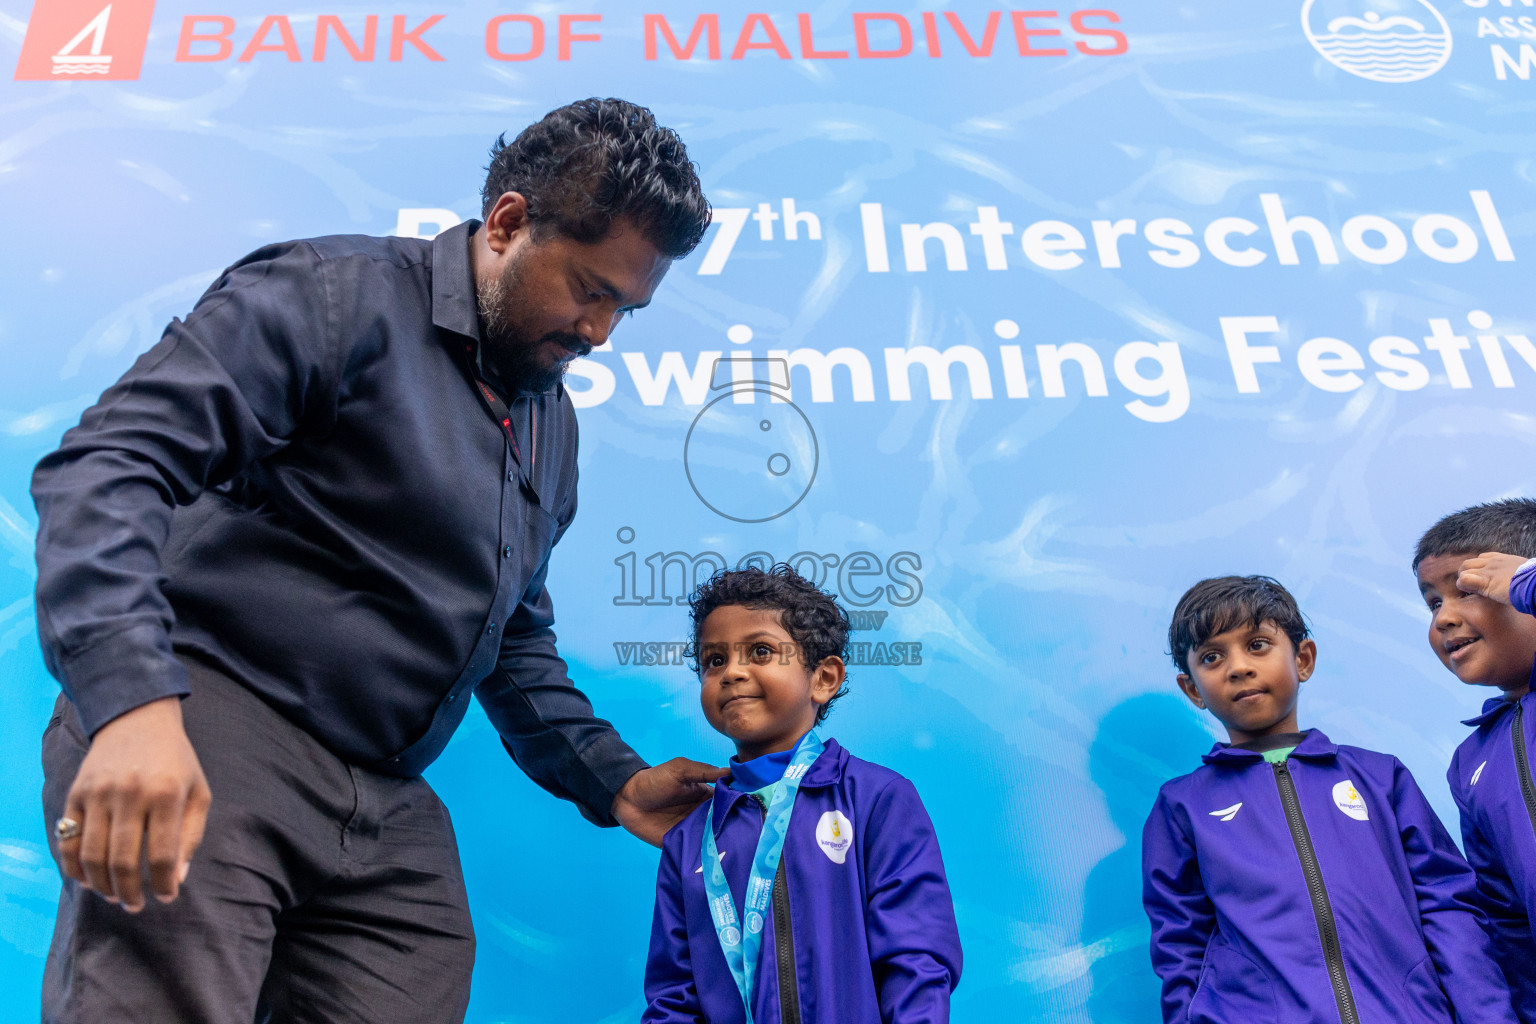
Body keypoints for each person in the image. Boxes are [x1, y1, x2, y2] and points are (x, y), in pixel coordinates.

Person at [30, 97, 725, 1024]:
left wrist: (616, 779)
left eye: (625, 310)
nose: (600, 333)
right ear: (511, 222)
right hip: (211, 724)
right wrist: (132, 708)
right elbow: (111, 464)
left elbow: (512, 642)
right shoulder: (335, 294)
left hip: (388, 801)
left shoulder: (549, 422)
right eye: (591, 289)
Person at [1142, 575, 1514, 1024]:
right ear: (1192, 689)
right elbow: (1179, 947)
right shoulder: (1182, 807)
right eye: (1212, 657)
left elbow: (1448, 905)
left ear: (1303, 659)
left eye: (1257, 644)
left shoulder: (1380, 777)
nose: (1237, 667)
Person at [642, 565, 962, 1023]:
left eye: (760, 651)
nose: (732, 671)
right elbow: (674, 995)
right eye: (714, 660)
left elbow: (916, 958)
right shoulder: (690, 839)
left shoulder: (878, 799)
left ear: (824, 679)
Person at [1415, 499, 1536, 1023]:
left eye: (1469, 589)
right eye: (1432, 602)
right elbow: (1507, 921)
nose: (1445, 615)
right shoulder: (1472, 762)